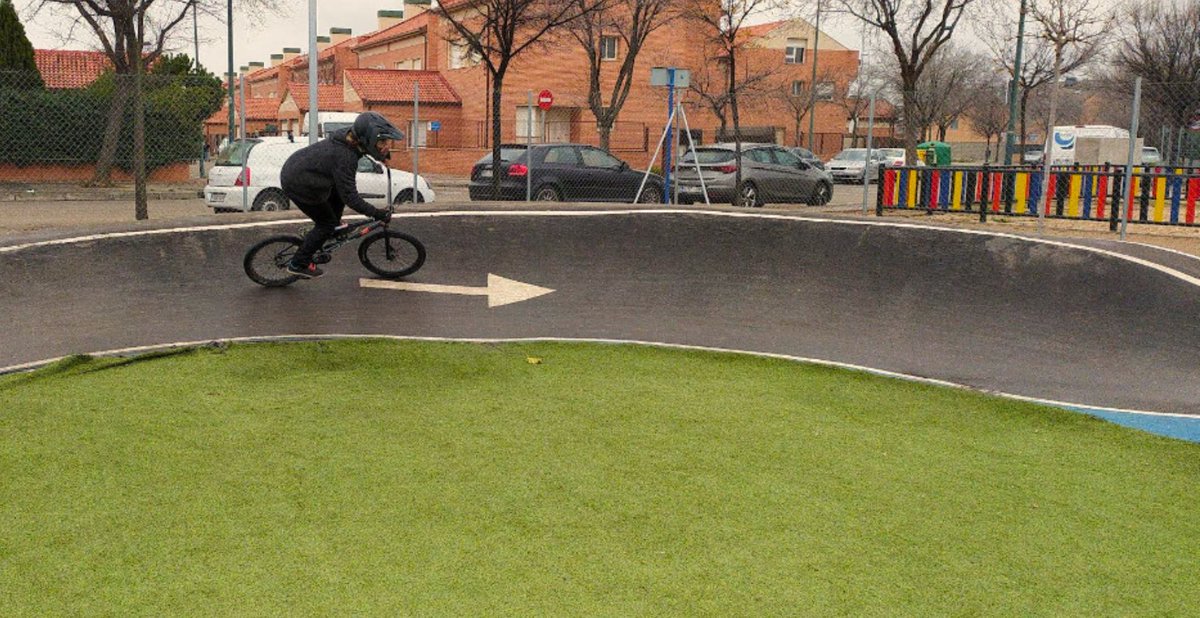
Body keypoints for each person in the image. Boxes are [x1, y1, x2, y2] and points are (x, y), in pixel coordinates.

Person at [280, 111, 404, 279]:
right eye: (382, 142)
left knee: (337, 197)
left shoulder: (349, 136)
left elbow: (364, 148)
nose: (386, 145)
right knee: (326, 223)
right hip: (299, 184)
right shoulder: (345, 157)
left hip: (306, 173)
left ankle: (332, 230)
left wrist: (381, 153)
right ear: (369, 139)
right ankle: (298, 263)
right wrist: (377, 213)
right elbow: (351, 198)